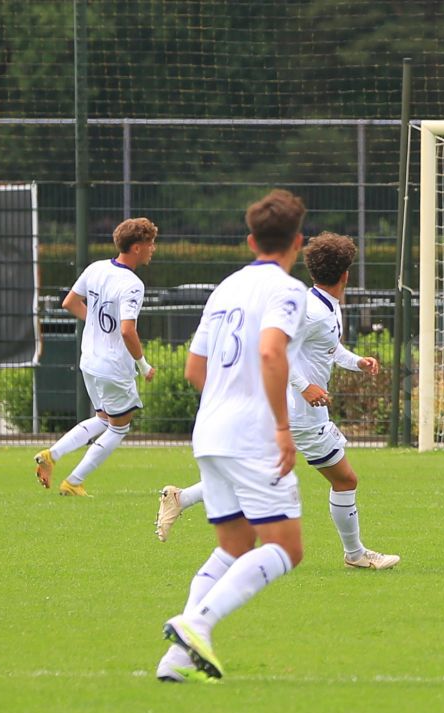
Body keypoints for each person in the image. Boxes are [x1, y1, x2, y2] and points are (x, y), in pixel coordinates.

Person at [154, 232, 400, 571]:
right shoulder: (311, 311)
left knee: (253, 476)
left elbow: (327, 348)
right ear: (346, 274)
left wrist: (356, 361)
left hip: (287, 409)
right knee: (344, 480)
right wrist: (304, 387)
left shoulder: (322, 304)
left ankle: (180, 498)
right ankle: (354, 554)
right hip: (300, 414)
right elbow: (275, 350)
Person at [156, 189, 309, 683]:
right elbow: (270, 353)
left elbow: (194, 368)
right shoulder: (287, 290)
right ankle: (196, 623)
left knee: (236, 545)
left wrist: (227, 401)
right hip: (252, 434)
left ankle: (176, 659)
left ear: (250, 240)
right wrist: (281, 427)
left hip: (211, 429)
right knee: (286, 547)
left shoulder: (224, 286)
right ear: (298, 242)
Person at [33, 218, 158, 496]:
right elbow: (127, 331)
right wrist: (144, 365)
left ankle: (51, 455)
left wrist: (96, 326)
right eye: (150, 244)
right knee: (118, 429)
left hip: (89, 360)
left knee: (103, 418)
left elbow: (69, 302)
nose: (153, 249)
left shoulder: (96, 268)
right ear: (137, 247)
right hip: (113, 366)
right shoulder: (133, 284)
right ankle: (74, 482)